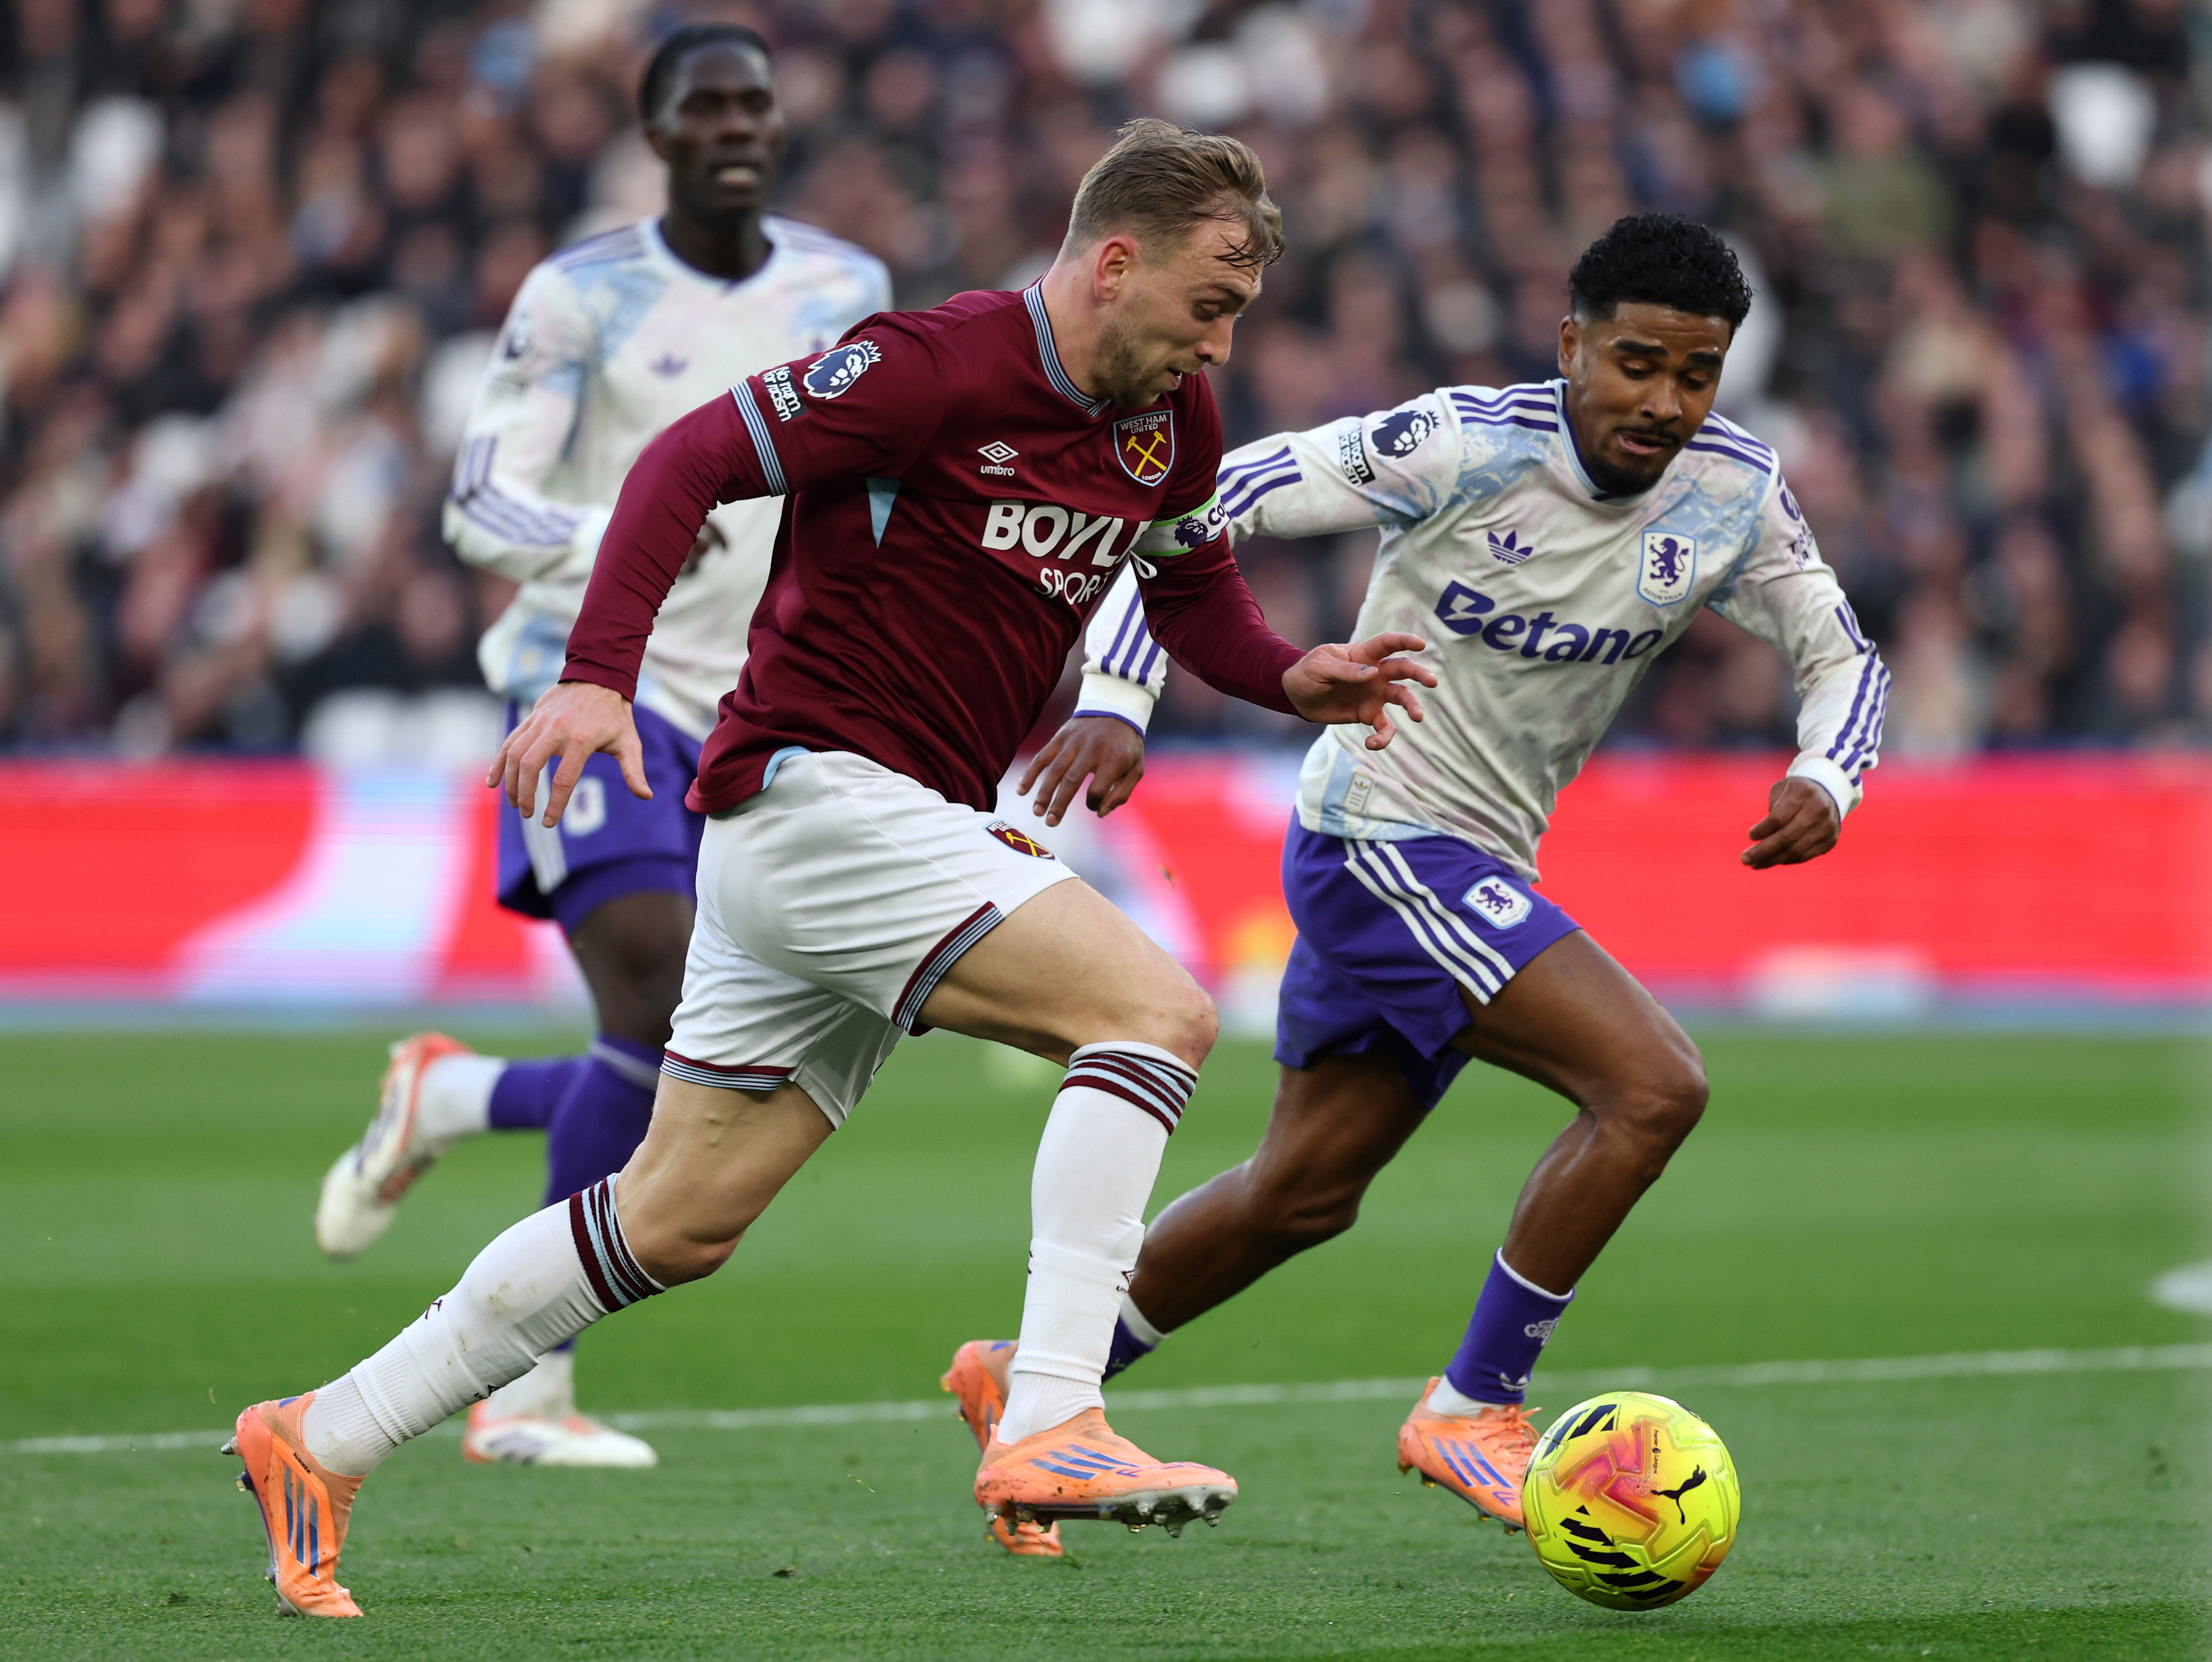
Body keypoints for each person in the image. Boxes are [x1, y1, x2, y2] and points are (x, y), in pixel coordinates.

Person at [226, 118, 1439, 1618]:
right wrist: (599, 675)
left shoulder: (1168, 422)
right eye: (1208, 301)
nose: (1222, 341)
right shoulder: (928, 367)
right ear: (1112, 262)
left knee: (673, 1218)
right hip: (811, 792)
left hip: (872, 829)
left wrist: (1288, 673)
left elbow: (1191, 598)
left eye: (1237, 313)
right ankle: (1054, 1405)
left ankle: (319, 1432)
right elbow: (683, 462)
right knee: (1153, 1012)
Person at [950, 212, 1888, 1548]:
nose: (1664, 401)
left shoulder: (1734, 491)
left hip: (1478, 855)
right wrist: (1117, 691)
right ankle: (1476, 1403)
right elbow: (1203, 499)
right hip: (1379, 840)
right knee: (1654, 1084)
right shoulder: (1463, 442)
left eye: (1697, 374)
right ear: (1570, 344)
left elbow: (1844, 653)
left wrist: (1828, 773)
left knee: (1303, 1192)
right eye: (1634, 363)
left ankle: (1029, 1372)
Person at [310, 24, 890, 1469]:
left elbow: (870, 479)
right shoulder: (579, 295)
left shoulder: (847, 289)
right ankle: (524, 1391)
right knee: (649, 960)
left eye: (757, 100)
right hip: (596, 684)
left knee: (684, 1046)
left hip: (771, 700)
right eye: (706, 105)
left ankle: (448, 1095)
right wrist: (622, 527)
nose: (737, 125)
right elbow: (479, 501)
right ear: (655, 131)